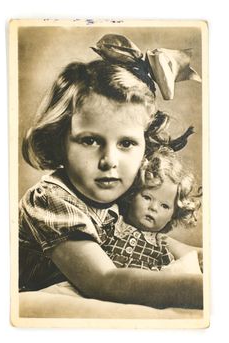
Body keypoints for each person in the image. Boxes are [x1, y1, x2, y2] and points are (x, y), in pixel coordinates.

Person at [19, 35, 203, 310]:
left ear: (145, 144)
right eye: (90, 140)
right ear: (60, 140)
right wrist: (206, 290)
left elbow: (159, 242)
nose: (109, 161)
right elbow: (104, 280)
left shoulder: (121, 186)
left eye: (126, 143)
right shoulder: (50, 199)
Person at [101, 146, 202, 272]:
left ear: (174, 215)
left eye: (164, 206)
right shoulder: (113, 223)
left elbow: (169, 276)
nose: (153, 208)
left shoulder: (160, 245)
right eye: (147, 197)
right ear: (132, 195)